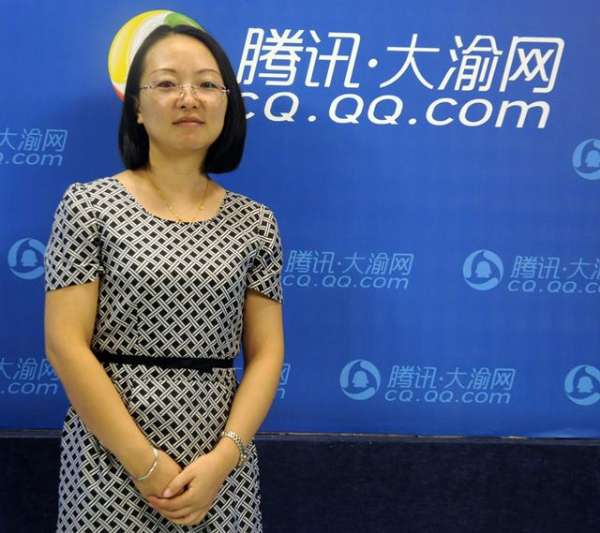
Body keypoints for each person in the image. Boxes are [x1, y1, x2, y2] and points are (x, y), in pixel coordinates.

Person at [44, 23, 284, 532]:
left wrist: (225, 459)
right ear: (136, 105)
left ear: (227, 104)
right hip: (110, 458)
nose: (188, 98)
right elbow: (65, 344)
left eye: (207, 84)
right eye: (168, 83)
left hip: (218, 466)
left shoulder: (256, 222)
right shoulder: (88, 206)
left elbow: (267, 354)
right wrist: (145, 464)